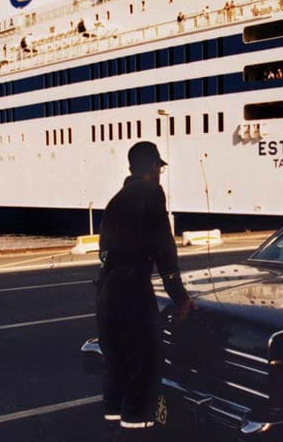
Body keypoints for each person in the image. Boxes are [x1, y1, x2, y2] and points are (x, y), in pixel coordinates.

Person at [96, 141, 195, 437]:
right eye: (159, 167)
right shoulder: (151, 192)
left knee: (117, 366)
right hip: (132, 291)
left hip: (106, 291)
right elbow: (163, 248)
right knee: (146, 365)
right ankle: (137, 434)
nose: (161, 172)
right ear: (153, 167)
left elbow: (104, 248)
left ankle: (113, 430)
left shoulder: (116, 199)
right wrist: (180, 297)